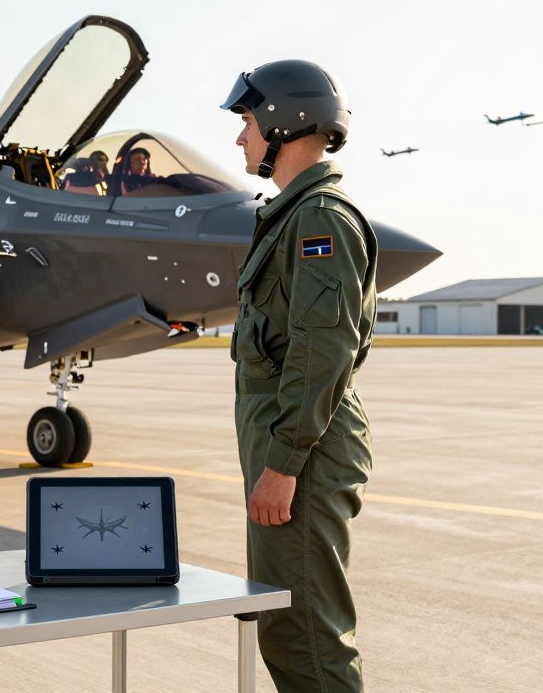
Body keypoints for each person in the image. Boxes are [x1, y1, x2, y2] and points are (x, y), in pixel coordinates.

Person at [221, 59, 378, 693]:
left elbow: (322, 352)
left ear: (284, 122)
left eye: (248, 121)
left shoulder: (318, 221)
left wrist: (282, 466)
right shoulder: (293, 215)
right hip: (292, 444)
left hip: (302, 454)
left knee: (305, 634)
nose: (241, 136)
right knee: (288, 627)